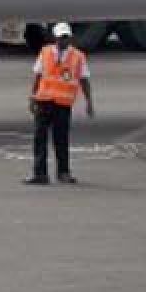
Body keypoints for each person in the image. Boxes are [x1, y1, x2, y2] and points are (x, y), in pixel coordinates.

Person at [26, 22, 94, 185]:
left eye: (65, 37)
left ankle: (63, 172)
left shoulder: (78, 56)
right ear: (54, 37)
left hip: (63, 104)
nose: (63, 41)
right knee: (39, 138)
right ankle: (40, 174)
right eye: (60, 37)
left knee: (61, 139)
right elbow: (37, 76)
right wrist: (33, 97)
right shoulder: (45, 52)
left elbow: (84, 80)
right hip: (44, 101)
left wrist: (89, 101)